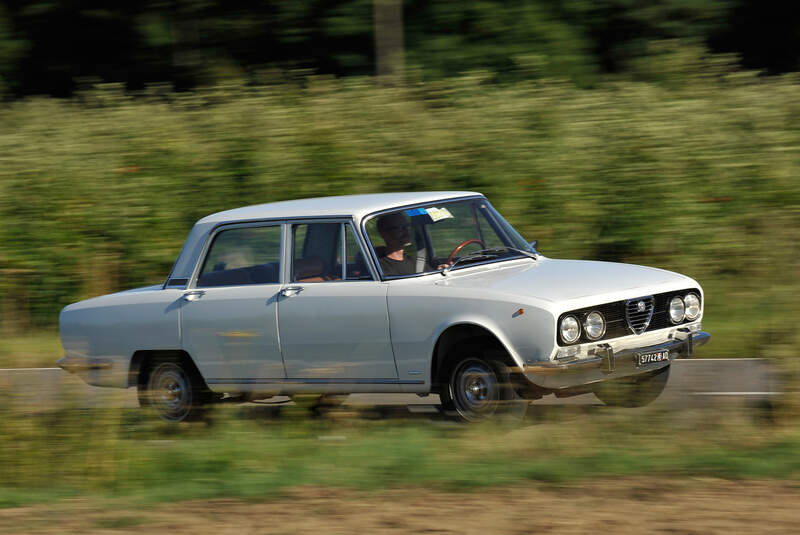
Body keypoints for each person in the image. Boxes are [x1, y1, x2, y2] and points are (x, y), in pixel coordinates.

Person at [376, 212, 449, 276]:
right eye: (399, 228)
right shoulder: (378, 267)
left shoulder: (415, 261)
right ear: (383, 233)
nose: (406, 231)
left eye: (407, 226)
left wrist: (438, 270)